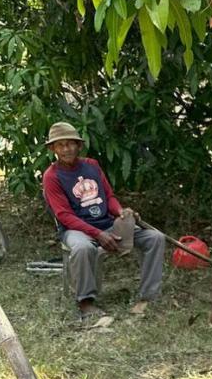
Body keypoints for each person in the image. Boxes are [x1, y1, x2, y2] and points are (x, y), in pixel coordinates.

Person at [40, 122, 164, 321]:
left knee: (155, 238)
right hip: (75, 229)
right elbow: (64, 215)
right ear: (52, 149)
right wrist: (97, 234)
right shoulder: (52, 176)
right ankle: (85, 302)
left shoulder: (92, 165)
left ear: (79, 146)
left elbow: (109, 196)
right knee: (82, 249)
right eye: (60, 145)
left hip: (106, 223)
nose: (66, 149)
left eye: (70, 144)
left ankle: (148, 296)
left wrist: (120, 211)